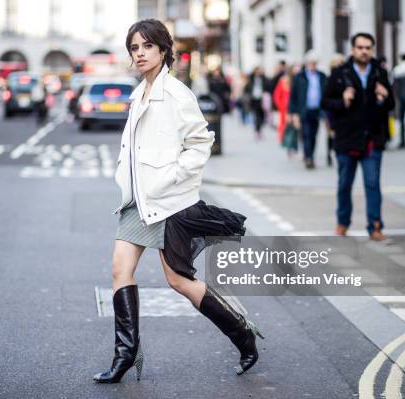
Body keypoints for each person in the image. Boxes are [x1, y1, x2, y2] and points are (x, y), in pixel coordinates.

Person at [93, 19, 262, 384]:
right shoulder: (140, 92)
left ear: (163, 50)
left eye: (146, 47)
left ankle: (242, 334)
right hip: (137, 201)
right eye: (134, 48)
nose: (139, 54)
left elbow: (201, 145)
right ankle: (126, 355)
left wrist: (169, 179)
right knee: (120, 269)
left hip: (168, 202)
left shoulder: (177, 94)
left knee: (179, 281)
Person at [321, 32, 395, 241]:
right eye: (360, 47)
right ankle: (342, 222)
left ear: (372, 49)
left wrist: (385, 97)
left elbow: (391, 106)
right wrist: (342, 100)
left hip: (372, 138)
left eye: (368, 48)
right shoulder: (339, 73)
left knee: (372, 184)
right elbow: (325, 102)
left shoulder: (380, 73)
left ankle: (375, 226)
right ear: (353, 49)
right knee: (345, 184)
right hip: (346, 138)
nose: (364, 51)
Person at [289, 50, 327, 169]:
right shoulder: (299, 77)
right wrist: (293, 113)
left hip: (316, 110)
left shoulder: (321, 76)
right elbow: (293, 96)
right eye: (311, 63)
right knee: (306, 134)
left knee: (314, 135)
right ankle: (308, 157)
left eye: (315, 63)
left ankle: (310, 155)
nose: (313, 65)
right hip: (304, 110)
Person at [324, 54, 346, 166]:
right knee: (331, 133)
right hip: (331, 111)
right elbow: (325, 99)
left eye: (340, 63)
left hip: (344, 111)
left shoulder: (347, 78)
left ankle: (338, 152)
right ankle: (330, 152)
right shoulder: (328, 79)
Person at [243, 67, 268, 139]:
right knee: (257, 116)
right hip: (254, 100)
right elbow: (246, 89)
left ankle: (259, 130)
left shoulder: (263, 79)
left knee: (262, 116)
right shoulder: (251, 80)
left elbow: (268, 86)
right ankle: (257, 131)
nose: (258, 73)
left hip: (262, 100)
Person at [272, 66, 292, 144]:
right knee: (283, 123)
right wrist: (281, 105)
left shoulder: (294, 81)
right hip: (284, 107)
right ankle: (282, 137)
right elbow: (277, 95)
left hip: (291, 107)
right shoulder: (282, 82)